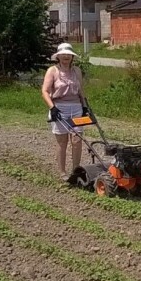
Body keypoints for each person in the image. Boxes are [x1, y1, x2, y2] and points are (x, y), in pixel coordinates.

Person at [41, 43, 87, 179]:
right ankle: (62, 173)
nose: (66, 56)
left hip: (76, 107)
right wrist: (52, 107)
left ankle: (76, 171)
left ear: (72, 57)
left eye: (69, 54)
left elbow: (81, 90)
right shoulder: (53, 71)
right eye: (63, 54)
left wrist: (84, 107)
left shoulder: (77, 71)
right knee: (62, 141)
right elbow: (44, 91)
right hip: (59, 107)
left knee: (77, 140)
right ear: (58, 56)